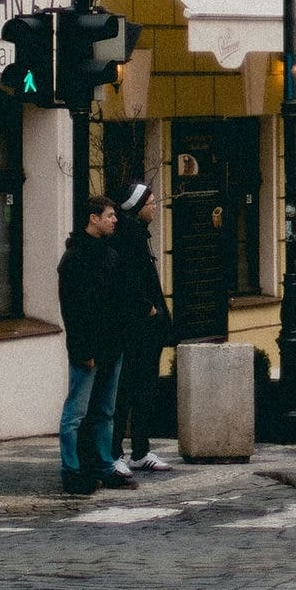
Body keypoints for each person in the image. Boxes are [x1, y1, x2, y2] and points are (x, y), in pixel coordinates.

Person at [57, 194, 134, 496]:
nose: (115, 220)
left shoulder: (109, 253)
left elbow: (117, 301)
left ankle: (104, 464)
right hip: (88, 348)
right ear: (93, 218)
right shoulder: (75, 257)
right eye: (110, 215)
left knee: (104, 411)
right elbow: (72, 309)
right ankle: (71, 469)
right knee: (76, 412)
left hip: (112, 345)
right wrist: (81, 349)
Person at [112, 178, 173, 475]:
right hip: (135, 328)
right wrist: (147, 308)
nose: (154, 208)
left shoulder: (138, 234)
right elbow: (128, 282)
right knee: (126, 390)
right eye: (150, 204)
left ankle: (140, 449)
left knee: (144, 389)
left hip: (147, 327)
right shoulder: (128, 237)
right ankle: (116, 452)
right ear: (137, 208)